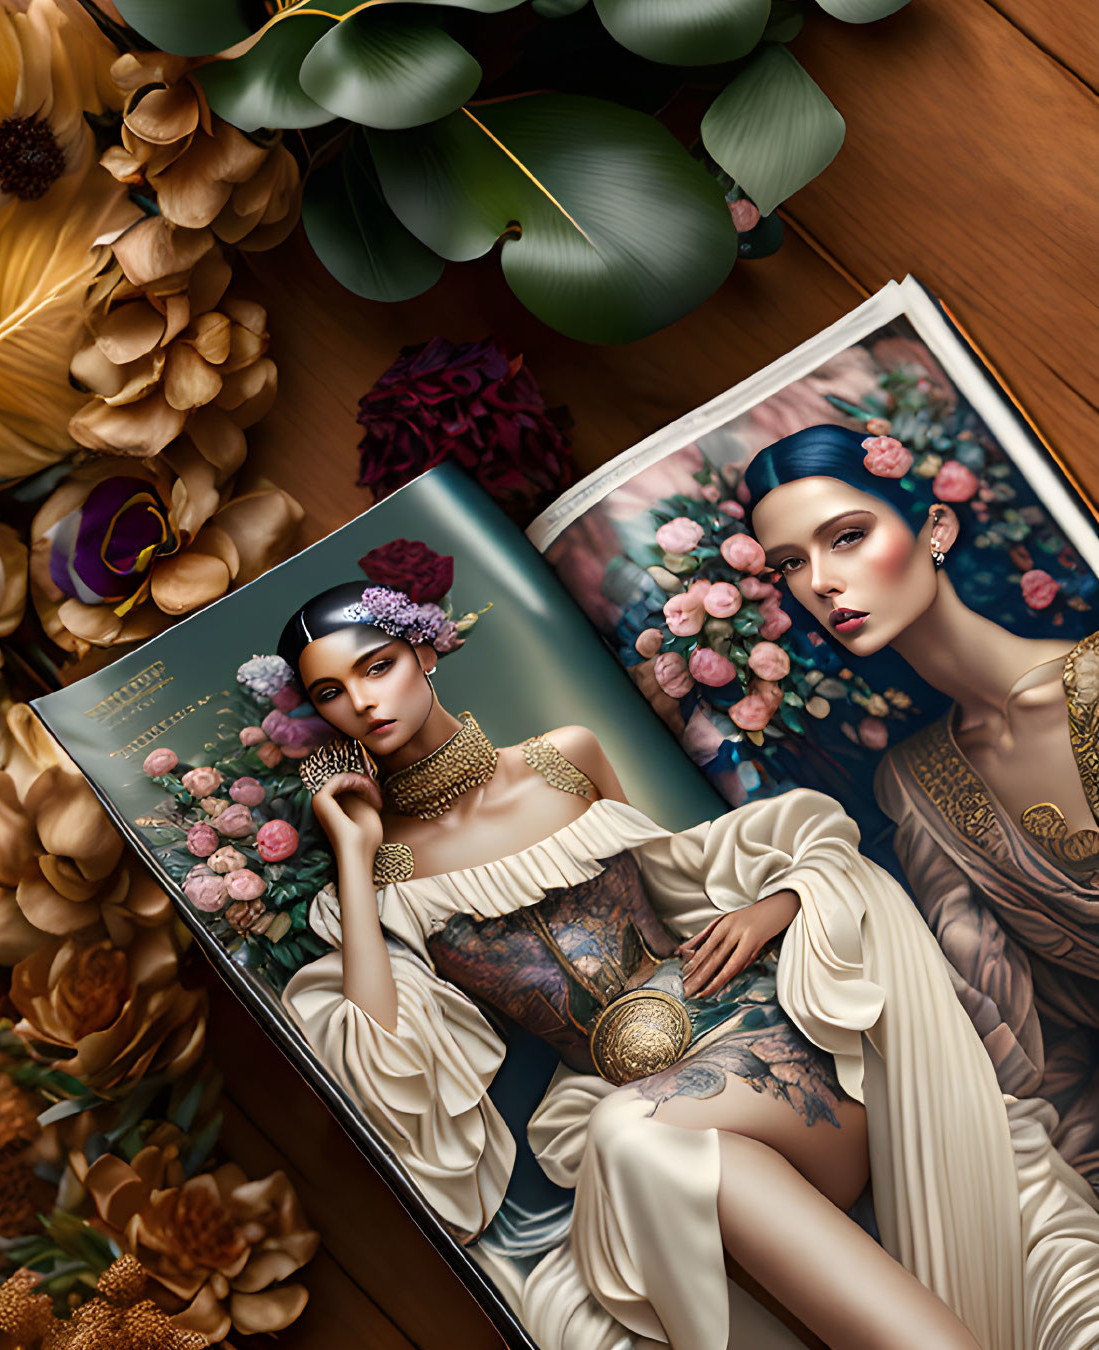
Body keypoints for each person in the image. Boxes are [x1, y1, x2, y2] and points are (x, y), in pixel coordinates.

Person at [279, 578, 1099, 1350]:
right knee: (628, 1143)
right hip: (658, 1123)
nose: (361, 701)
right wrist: (352, 855)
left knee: (627, 1136)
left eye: (377, 666)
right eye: (329, 693)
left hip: (776, 1044)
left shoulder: (563, 758)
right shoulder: (379, 875)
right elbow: (385, 1071)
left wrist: (775, 904)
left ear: (425, 652)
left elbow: (685, 880)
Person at [745, 422, 1099, 1197]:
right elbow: (1028, 1044)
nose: (821, 583)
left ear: (933, 526)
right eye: (791, 566)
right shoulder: (913, 782)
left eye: (845, 537)